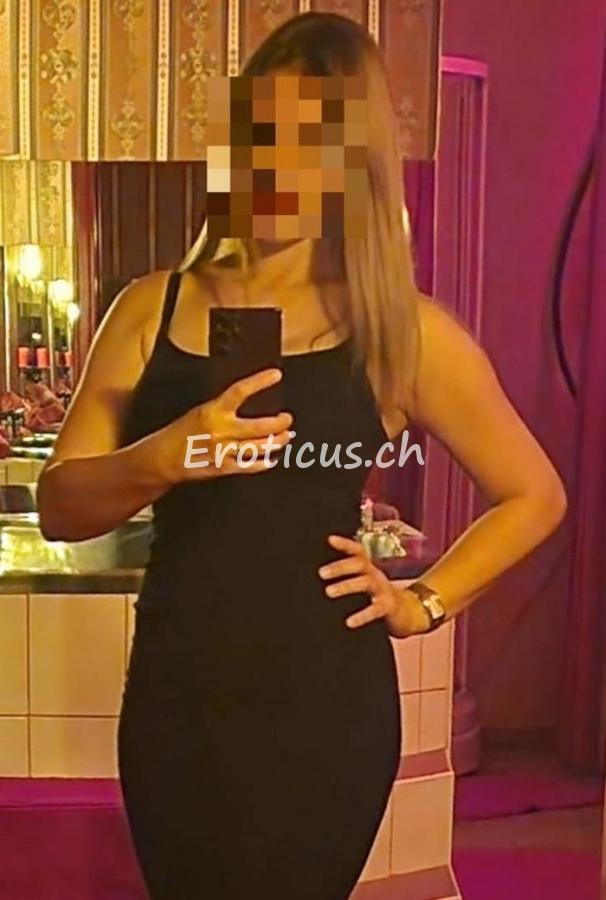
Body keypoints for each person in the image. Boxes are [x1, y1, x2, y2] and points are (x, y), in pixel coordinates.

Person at [36, 12, 567, 900]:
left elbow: (535, 494)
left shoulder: (399, 331)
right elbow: (61, 507)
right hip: (178, 698)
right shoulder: (147, 311)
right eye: (261, 133)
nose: (278, 166)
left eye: (313, 144)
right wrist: (165, 456)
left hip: (325, 705)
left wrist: (423, 602)